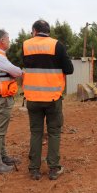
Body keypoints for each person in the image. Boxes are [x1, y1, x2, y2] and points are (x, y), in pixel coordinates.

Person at [22, 20, 74, 180]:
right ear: (48, 31)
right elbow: (70, 70)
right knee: (54, 132)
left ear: (34, 31)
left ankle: (34, 170)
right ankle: (53, 169)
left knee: (36, 132)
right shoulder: (57, 45)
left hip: (32, 98)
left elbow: (26, 66)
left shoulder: (25, 45)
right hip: (52, 98)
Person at [0, 29, 23, 174]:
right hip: (1, 99)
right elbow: (16, 72)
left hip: (1, 98)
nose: (9, 41)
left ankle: (2, 156)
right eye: (8, 38)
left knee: (0, 130)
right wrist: (20, 72)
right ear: (1, 41)